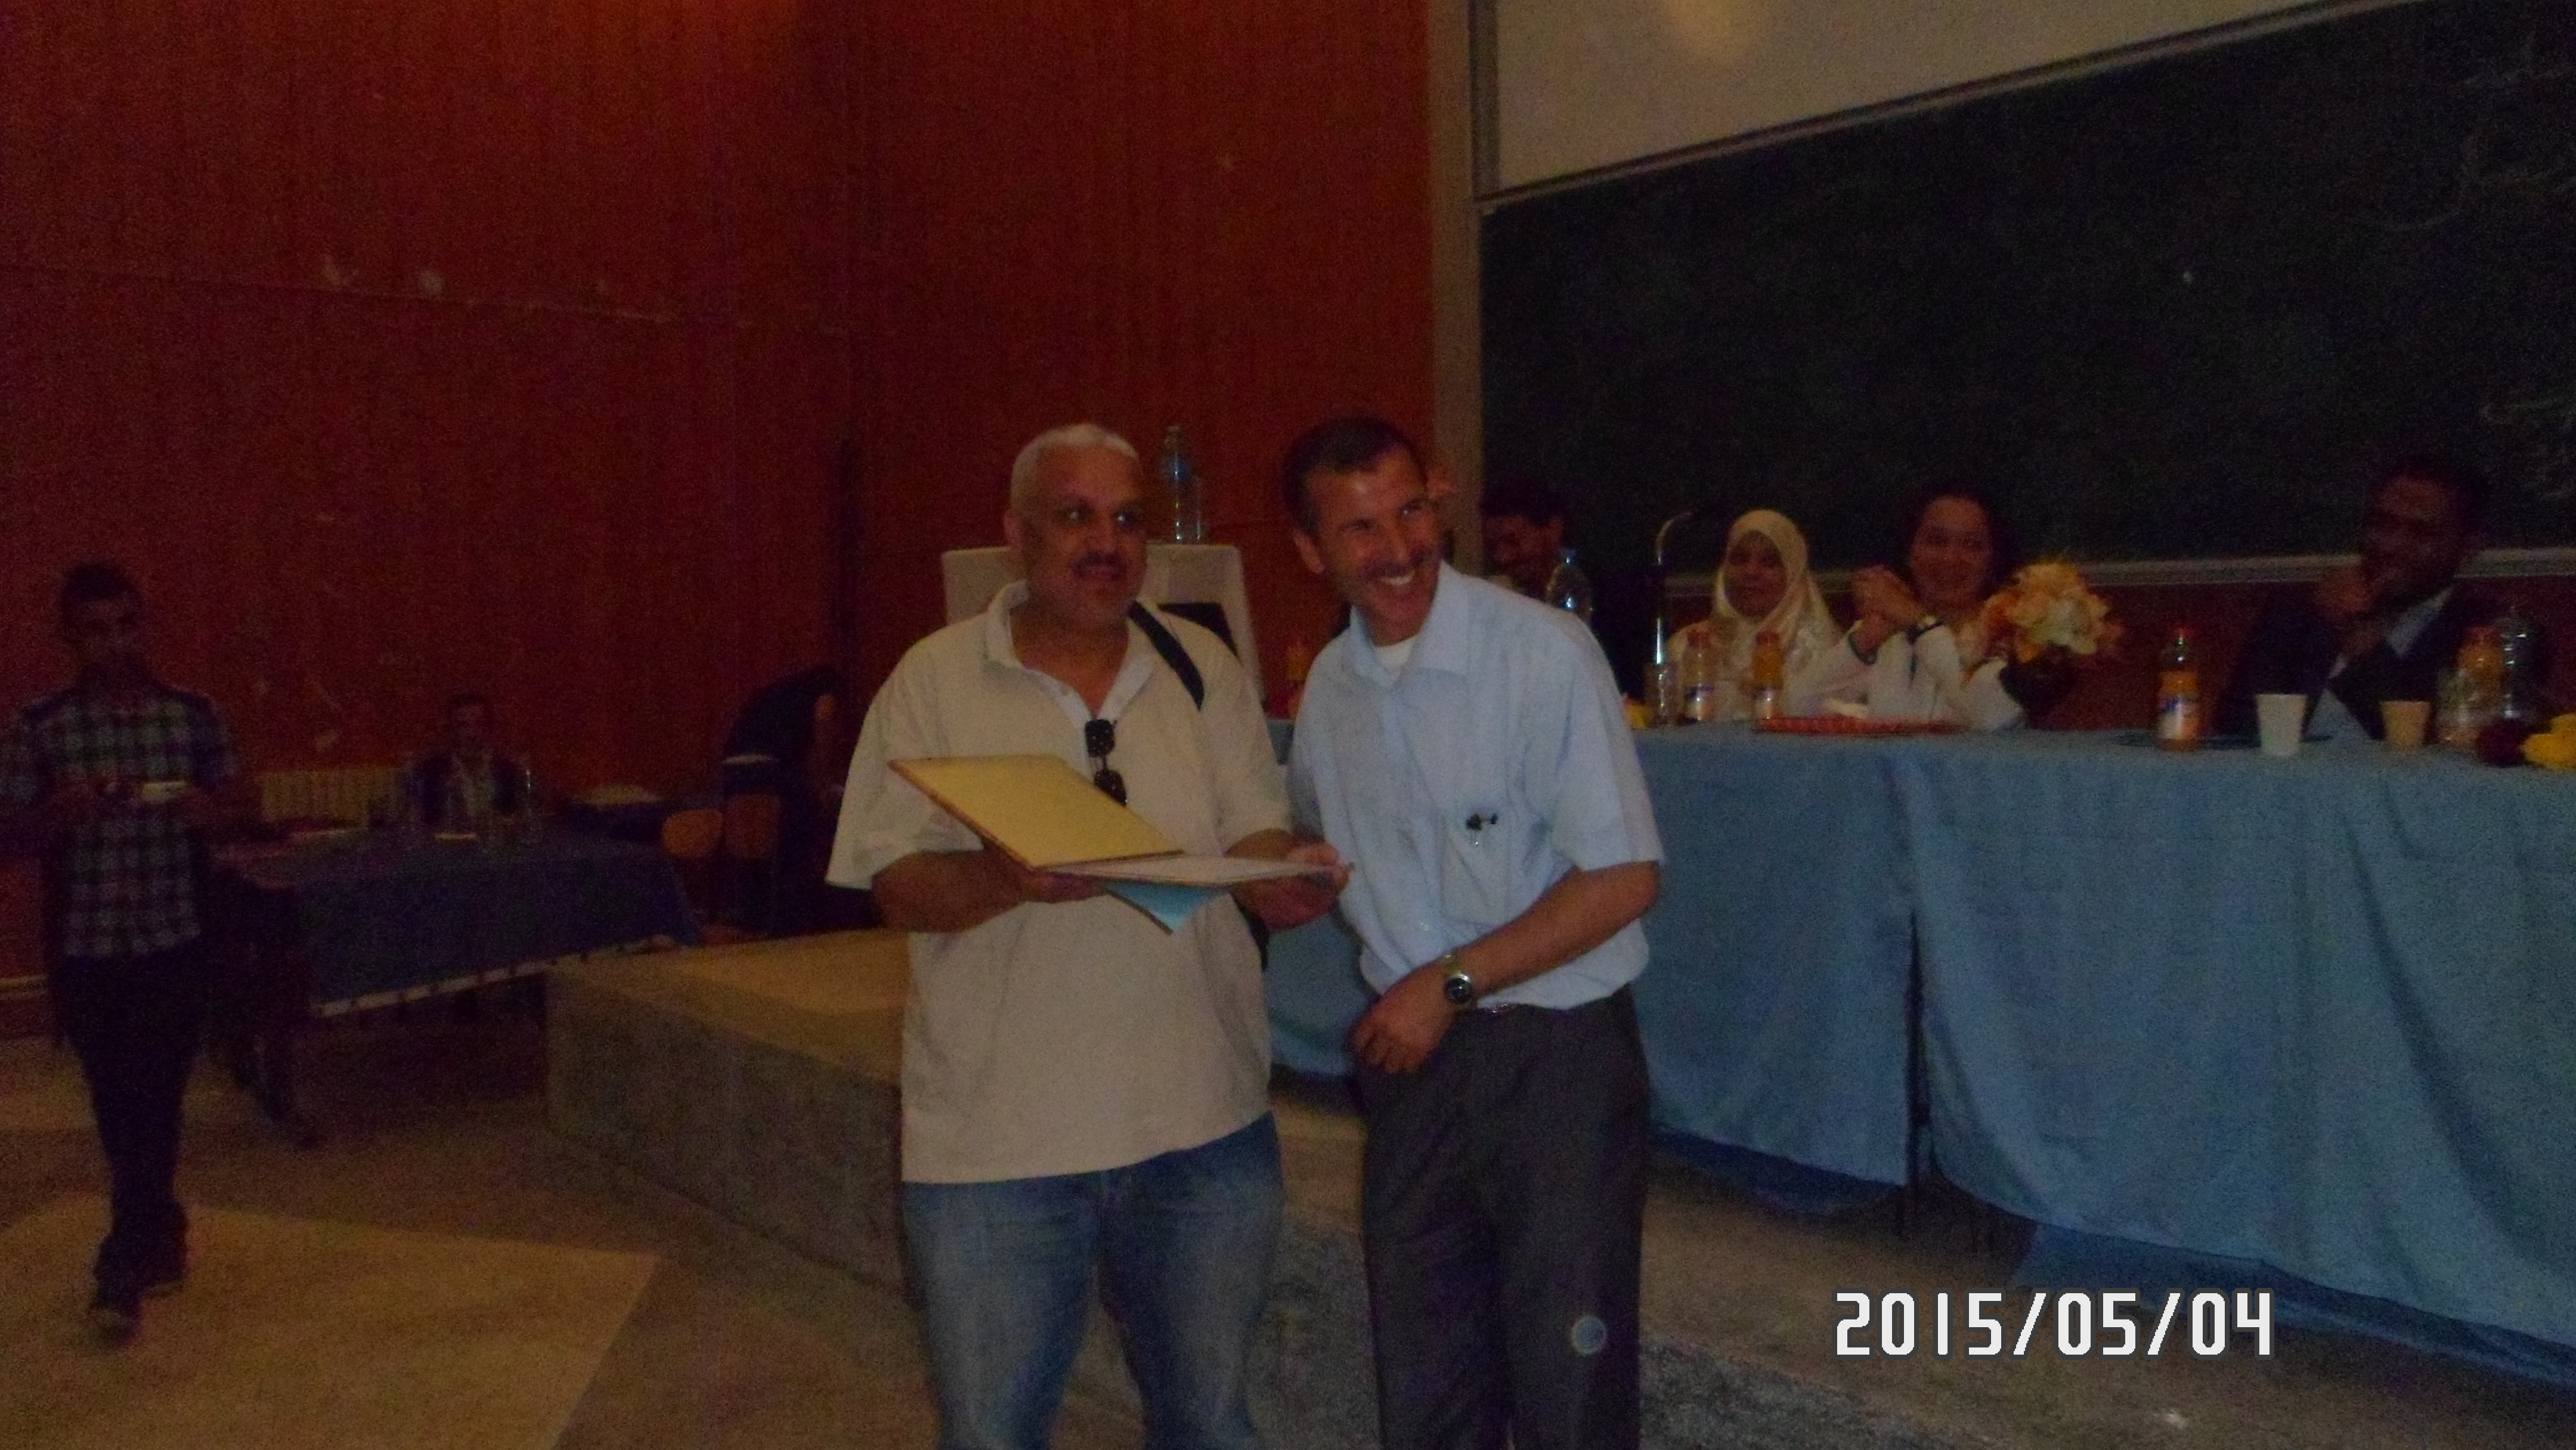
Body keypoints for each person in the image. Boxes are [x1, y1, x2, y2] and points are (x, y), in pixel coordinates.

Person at [826, 424, 1342, 1450]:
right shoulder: (933, 680)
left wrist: (1282, 880)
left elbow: (1252, 830)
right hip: (999, 1146)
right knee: (994, 1433)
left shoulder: (1199, 665)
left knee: (1209, 1425)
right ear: (1016, 534)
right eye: (1075, 516)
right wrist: (1000, 879)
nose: (1106, 543)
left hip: (1202, 1126)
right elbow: (894, 884)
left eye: (1127, 519)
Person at [1281, 416, 1662, 1450]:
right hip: (1411, 1068)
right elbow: (1323, 837)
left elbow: (1625, 875)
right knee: (1427, 1387)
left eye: (1410, 511)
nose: (1398, 549)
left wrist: (1449, 983)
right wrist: (1287, 873)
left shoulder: (1541, 653)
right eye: (1361, 528)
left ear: (1440, 499)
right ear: (1312, 551)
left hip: (1555, 1059)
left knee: (1569, 1391)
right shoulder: (1330, 689)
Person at [0, 563, 246, 1343]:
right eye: (96, 631)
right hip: (89, 947)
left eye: (126, 626)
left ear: (144, 626)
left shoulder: (193, 716)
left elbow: (241, 805)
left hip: (176, 938)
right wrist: (58, 813)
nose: (114, 644)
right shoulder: (41, 726)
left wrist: (210, 812)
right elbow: (9, 834)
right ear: (70, 638)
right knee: (116, 1100)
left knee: (159, 1096)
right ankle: (160, 1226)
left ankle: (121, 1259)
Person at [2216, 454, 2497, 741]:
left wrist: (2359, 633)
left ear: (2469, 547)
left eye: (2421, 533)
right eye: (2383, 525)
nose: (2392, 546)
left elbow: (2431, 739)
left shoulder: (2484, 636)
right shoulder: (2297, 617)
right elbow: (2236, 730)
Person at [1787, 487, 2067, 729]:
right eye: (1936, 541)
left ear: (1993, 559)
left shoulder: (2015, 636)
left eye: (1972, 545)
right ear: (1909, 552)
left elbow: (1989, 716)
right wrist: (1869, 636)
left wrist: (1920, 623)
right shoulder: (1889, 635)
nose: (1950, 558)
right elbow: (1794, 707)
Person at [1663, 509, 1842, 721]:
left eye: (1769, 562)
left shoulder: (1827, 652)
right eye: (1740, 559)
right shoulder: (1686, 647)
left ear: (1793, 573)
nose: (1751, 572)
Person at [720, 665, 850, 931]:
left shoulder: (775, 694)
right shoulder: (823, 694)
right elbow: (823, 729)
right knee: (800, 832)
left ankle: (752, 912)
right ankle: (796, 912)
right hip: (771, 770)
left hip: (734, 769)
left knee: (753, 848)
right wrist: (822, 782)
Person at [404, 692, 528, 829]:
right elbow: (420, 819)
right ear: (450, 729)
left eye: (479, 724)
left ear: (489, 728)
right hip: (446, 840)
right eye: (463, 725)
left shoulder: (507, 771)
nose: (471, 733)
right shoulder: (431, 771)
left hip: (496, 840)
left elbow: (521, 814)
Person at [1479, 476, 1570, 597]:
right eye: (1492, 546)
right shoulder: (1495, 595)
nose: (1502, 558)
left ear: (1553, 530)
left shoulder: (1588, 594)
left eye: (1512, 542)